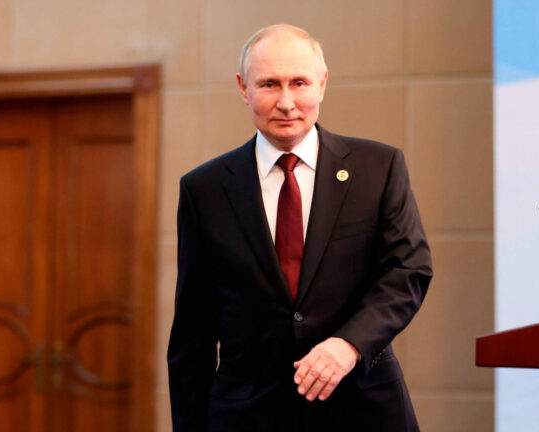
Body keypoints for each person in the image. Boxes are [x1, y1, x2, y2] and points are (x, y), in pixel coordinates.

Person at [167, 23, 433, 431]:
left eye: (299, 83)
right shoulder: (204, 189)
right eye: (269, 84)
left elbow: (407, 271)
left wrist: (350, 343)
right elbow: (193, 329)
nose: (286, 102)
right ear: (243, 88)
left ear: (322, 84)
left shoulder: (378, 168)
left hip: (362, 410)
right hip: (247, 416)